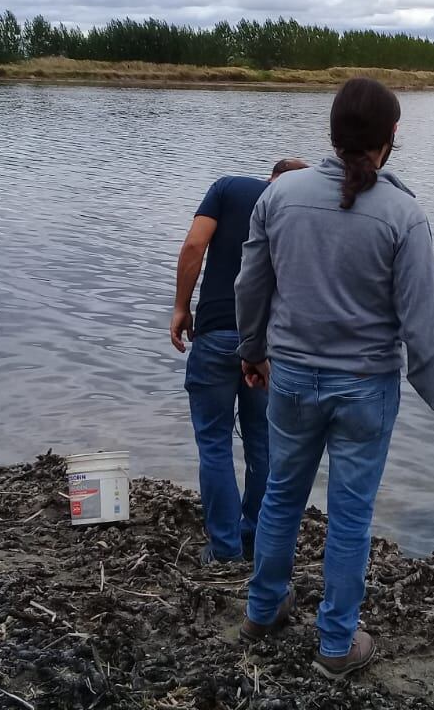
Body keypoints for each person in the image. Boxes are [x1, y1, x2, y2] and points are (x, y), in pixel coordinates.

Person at [234, 78, 434, 679]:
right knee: (349, 517)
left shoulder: (280, 195)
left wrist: (251, 350)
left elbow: (250, 287)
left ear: (333, 132)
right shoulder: (404, 214)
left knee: (281, 497)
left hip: (288, 378)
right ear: (392, 137)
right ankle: (336, 644)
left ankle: (263, 610)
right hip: (366, 388)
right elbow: (422, 333)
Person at [171, 158, 309, 564]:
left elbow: (195, 244)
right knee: (263, 445)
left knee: (214, 443)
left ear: (271, 175)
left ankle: (225, 548)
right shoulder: (302, 209)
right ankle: (254, 540)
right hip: (269, 346)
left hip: (215, 333)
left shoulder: (228, 189)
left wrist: (181, 306)